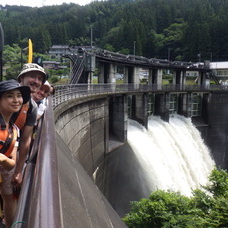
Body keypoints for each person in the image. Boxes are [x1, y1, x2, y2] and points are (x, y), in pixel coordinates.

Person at [11, 63, 47, 189]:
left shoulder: (32, 107)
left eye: (40, 79)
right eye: (32, 76)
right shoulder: (4, 94)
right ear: (21, 78)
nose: (36, 81)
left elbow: (26, 140)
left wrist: (18, 171)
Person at [0, 79, 30, 228]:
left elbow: (11, 162)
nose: (16, 100)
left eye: (19, 96)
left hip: (4, 176)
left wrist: (3, 159)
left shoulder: (14, 130)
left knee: (9, 196)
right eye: (9, 96)